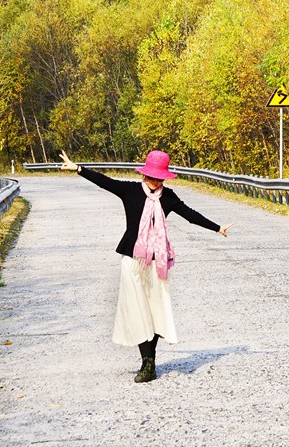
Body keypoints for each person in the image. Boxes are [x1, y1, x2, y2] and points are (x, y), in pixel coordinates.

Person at [59, 148, 233, 382]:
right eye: (151, 176)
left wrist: (216, 227)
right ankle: (147, 363)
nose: (154, 181)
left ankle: (150, 363)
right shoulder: (129, 191)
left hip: (157, 263)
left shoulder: (168, 197)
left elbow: (190, 215)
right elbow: (104, 182)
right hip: (133, 260)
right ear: (144, 174)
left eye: (159, 177)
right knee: (139, 311)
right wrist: (78, 169)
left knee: (155, 311)